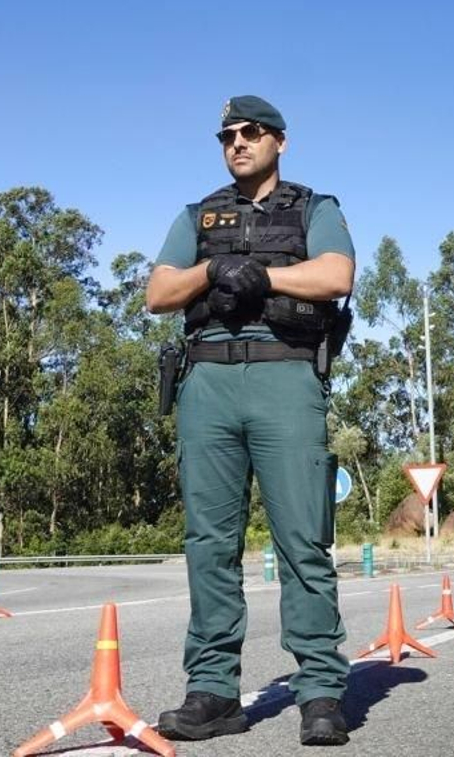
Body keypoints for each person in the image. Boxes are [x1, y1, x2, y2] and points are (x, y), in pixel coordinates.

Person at [145, 95, 355, 747]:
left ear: (280, 141)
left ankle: (320, 690)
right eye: (228, 134)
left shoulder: (314, 208)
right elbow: (158, 292)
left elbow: (336, 273)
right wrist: (211, 267)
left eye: (252, 132)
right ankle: (213, 690)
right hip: (206, 380)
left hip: (284, 374)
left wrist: (259, 274)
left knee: (302, 539)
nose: (238, 142)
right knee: (209, 542)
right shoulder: (197, 215)